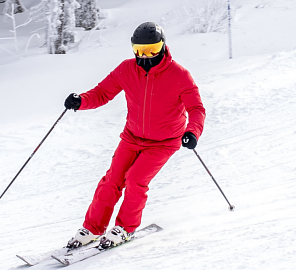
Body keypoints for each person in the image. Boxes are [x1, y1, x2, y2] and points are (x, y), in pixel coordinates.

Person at [63, 22, 206, 249]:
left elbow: (196, 109)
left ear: (163, 46)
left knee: (135, 180)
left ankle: (125, 228)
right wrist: (81, 101)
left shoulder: (179, 75)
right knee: (112, 180)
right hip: (132, 137)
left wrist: (193, 131)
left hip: (163, 143)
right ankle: (93, 228)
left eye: (151, 50)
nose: (145, 56)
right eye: (139, 50)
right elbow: (102, 93)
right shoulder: (127, 69)